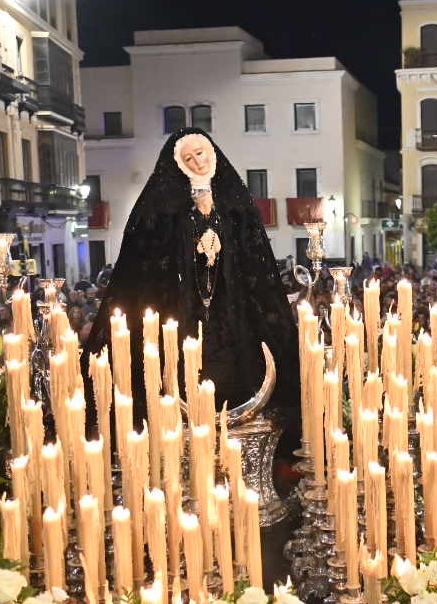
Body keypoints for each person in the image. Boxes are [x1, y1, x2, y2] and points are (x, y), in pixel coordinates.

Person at [84, 128, 299, 414]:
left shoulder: (235, 204)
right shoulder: (163, 208)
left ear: (211, 153)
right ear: (179, 164)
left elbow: (252, 257)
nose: (197, 162)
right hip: (182, 307)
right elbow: (149, 257)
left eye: (200, 153)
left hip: (229, 306)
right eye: (188, 158)